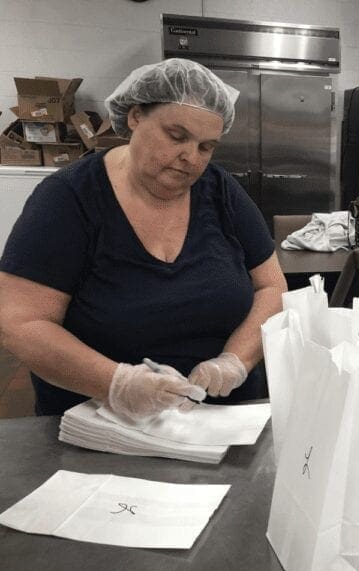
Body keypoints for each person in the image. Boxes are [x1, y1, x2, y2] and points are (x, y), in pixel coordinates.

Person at [0, 58, 287, 418]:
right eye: (177, 136)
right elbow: (21, 323)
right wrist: (117, 384)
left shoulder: (221, 192)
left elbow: (272, 288)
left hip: (223, 424)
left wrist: (234, 361)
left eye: (206, 146)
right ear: (135, 117)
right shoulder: (69, 199)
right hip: (102, 422)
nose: (190, 158)